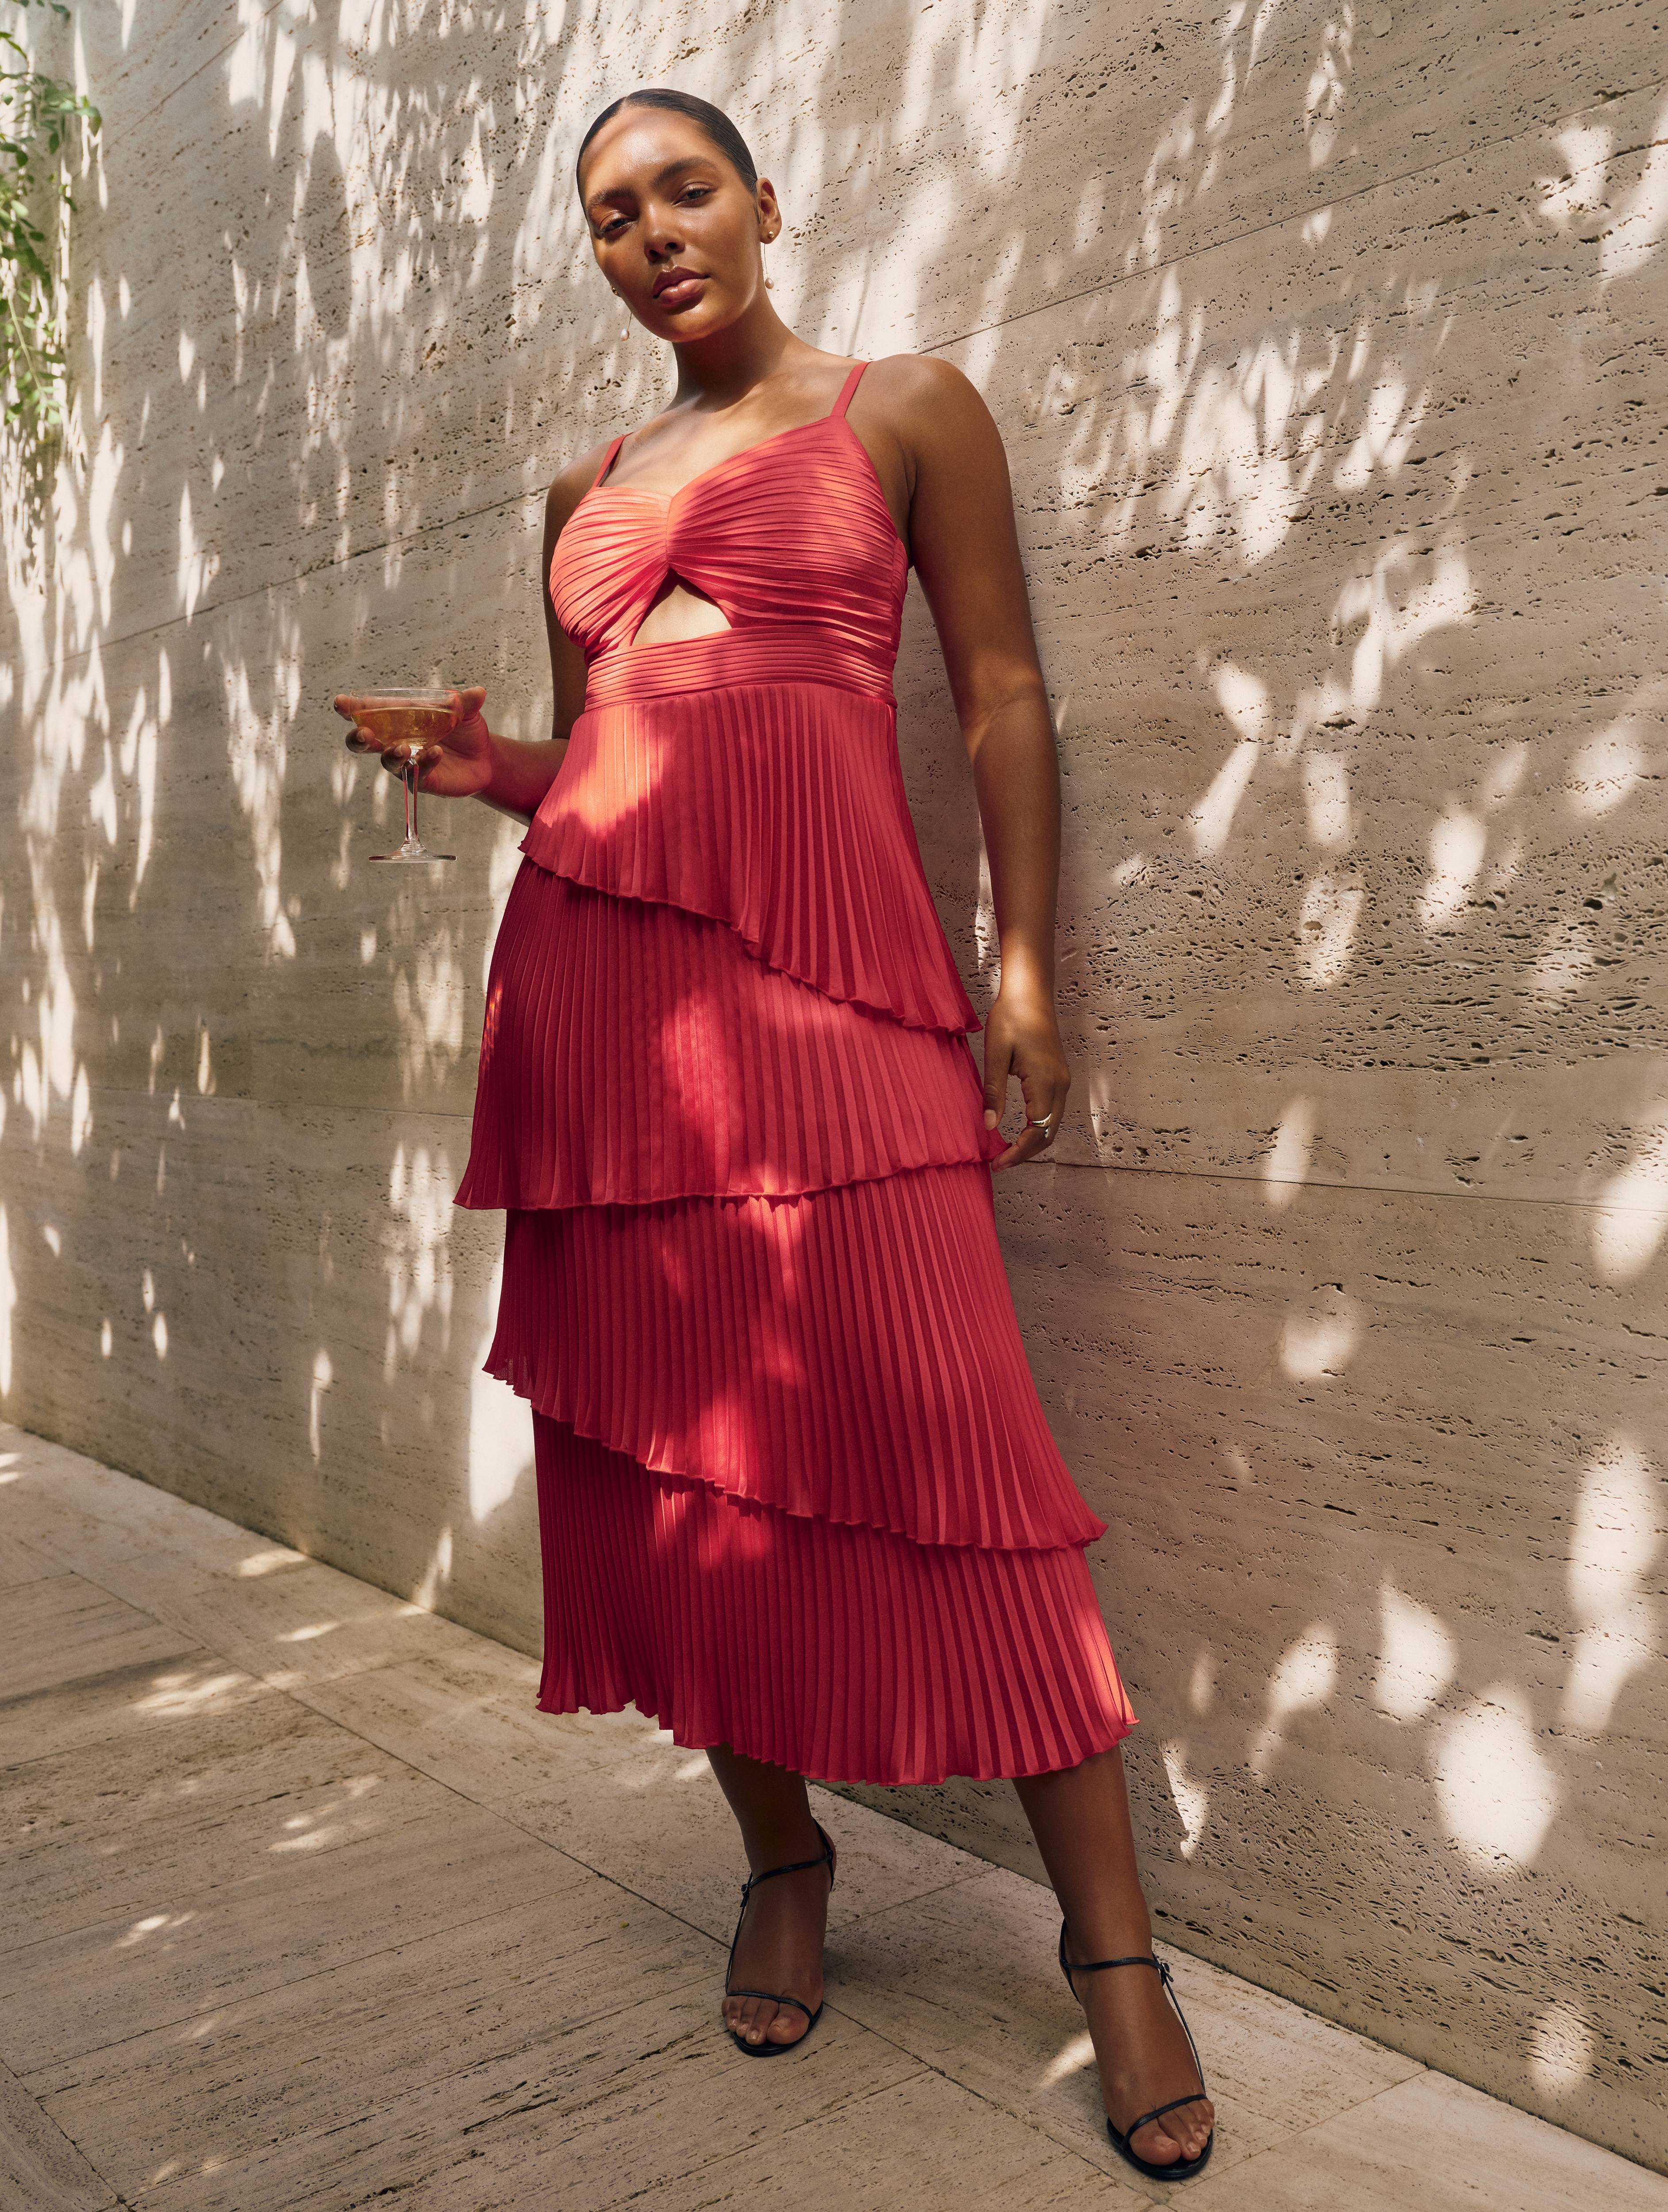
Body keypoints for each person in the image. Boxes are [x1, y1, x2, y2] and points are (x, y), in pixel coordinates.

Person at [337, 86, 1214, 2183]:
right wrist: (488, 771)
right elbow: (615, 775)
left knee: (954, 1449)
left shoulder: (908, 408)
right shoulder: (591, 476)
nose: (651, 234)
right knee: (669, 1467)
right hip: (605, 1027)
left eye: (684, 190)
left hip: (838, 1003)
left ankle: (1114, 1958)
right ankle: (779, 1857)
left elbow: (998, 689)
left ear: (765, 201)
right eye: (612, 216)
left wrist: (1019, 967)